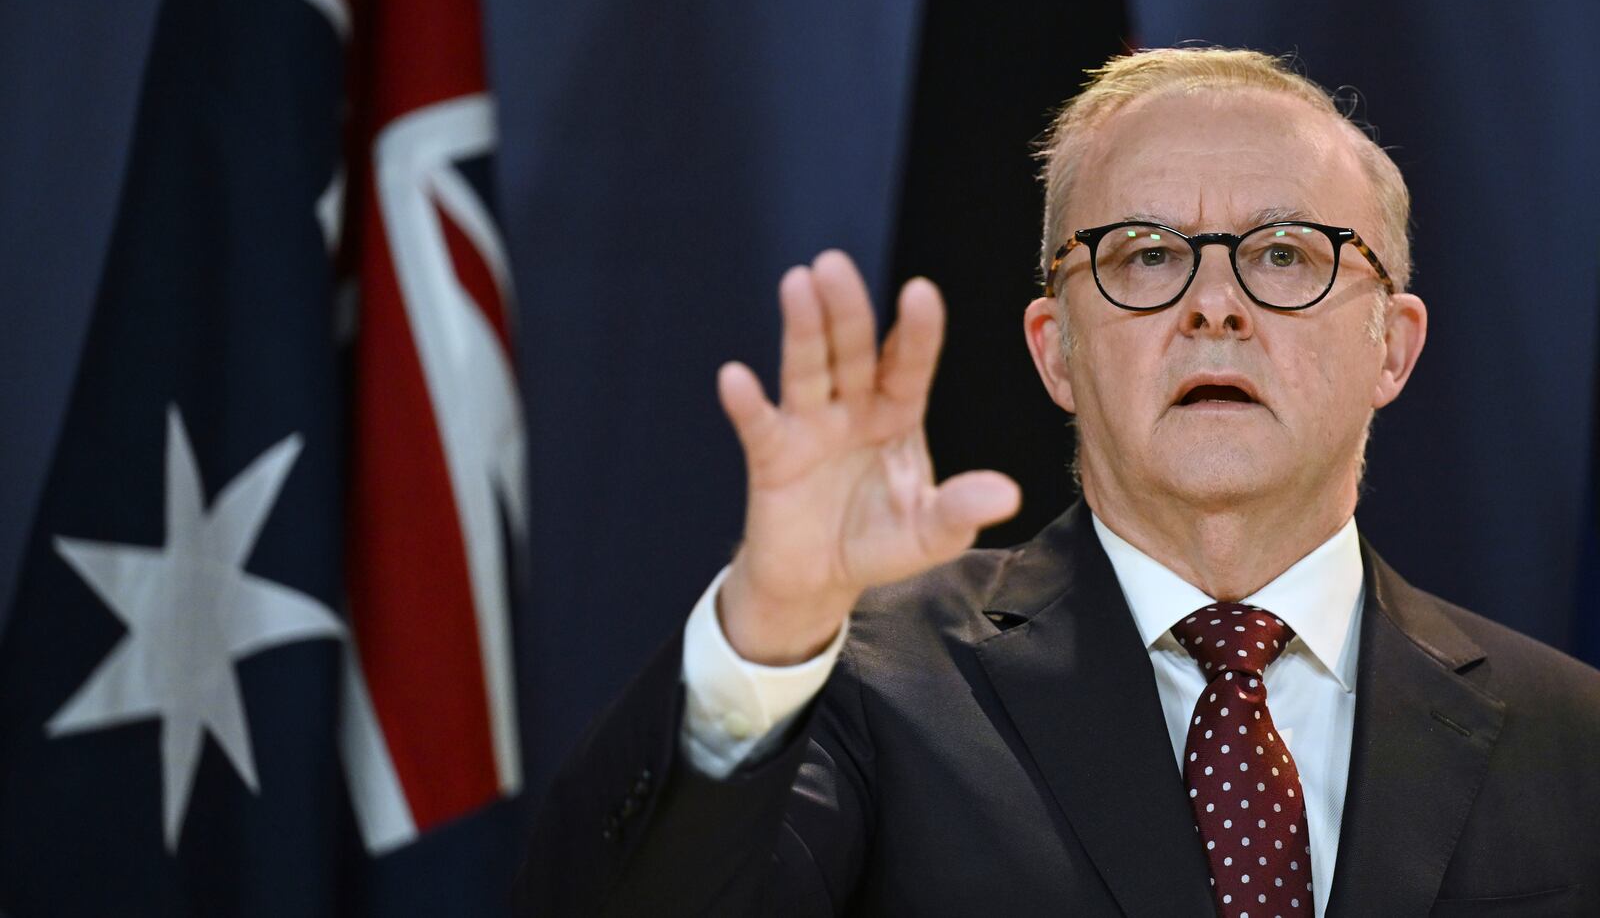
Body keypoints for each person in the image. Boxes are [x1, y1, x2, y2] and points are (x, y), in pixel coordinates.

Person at [517, 48, 1600, 916]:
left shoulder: (1573, 735)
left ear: (1391, 347)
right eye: (1143, 253)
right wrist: (771, 622)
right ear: (1056, 350)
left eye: (1282, 252)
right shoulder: (863, 686)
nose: (1213, 305)